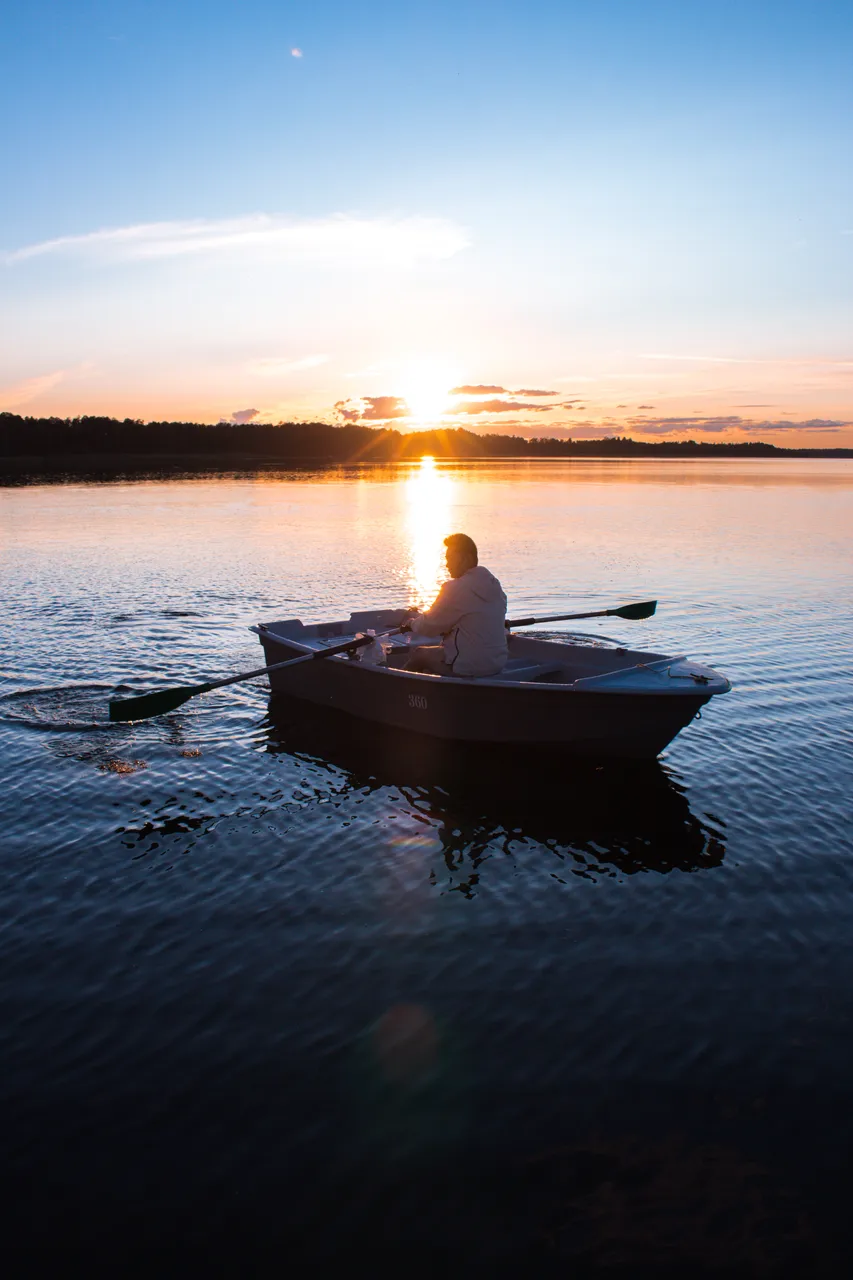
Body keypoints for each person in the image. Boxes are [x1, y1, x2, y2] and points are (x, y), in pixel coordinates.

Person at [402, 533, 508, 677]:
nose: (447, 564)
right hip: (497, 664)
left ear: (466, 559)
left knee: (420, 654)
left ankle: (399, 688)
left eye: (450, 558)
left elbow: (429, 625)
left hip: (467, 666)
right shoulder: (494, 586)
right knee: (442, 650)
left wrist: (412, 624)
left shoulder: (456, 588)